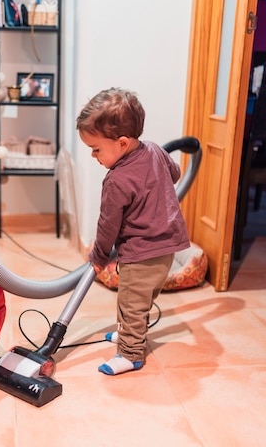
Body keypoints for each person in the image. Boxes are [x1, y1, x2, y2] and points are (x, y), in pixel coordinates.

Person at [76, 87, 190, 375]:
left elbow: (108, 224)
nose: (93, 155)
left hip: (140, 254)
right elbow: (175, 173)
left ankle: (130, 353)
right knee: (141, 300)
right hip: (167, 250)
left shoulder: (116, 180)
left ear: (122, 143)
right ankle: (130, 333)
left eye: (96, 149)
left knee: (130, 302)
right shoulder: (153, 149)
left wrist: (99, 255)